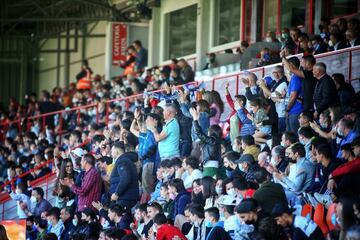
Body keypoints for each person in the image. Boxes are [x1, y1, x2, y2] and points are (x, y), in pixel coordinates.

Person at [109, 141, 139, 211]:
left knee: (123, 219)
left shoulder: (122, 161)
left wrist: (117, 193)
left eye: (112, 151)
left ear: (116, 152)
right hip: (126, 197)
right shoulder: (125, 160)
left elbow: (126, 178)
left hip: (125, 198)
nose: (111, 153)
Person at [284, 56, 303, 133]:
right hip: (292, 111)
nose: (285, 68)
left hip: (295, 111)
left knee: (294, 137)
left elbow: (293, 96)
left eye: (286, 65)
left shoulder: (296, 77)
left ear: (291, 65)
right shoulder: (294, 77)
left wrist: (287, 109)